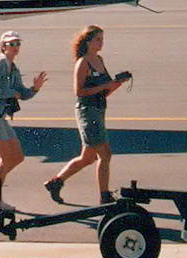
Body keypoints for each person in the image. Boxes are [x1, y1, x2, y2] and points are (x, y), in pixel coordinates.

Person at [43, 25, 128, 205]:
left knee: (87, 158)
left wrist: (117, 83)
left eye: (102, 39)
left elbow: (105, 91)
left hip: (99, 109)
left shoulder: (99, 60)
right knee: (105, 154)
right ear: (88, 42)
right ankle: (104, 196)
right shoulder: (83, 63)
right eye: (98, 39)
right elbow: (79, 91)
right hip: (87, 112)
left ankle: (56, 182)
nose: (101, 43)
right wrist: (104, 86)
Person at [0, 31, 47, 185]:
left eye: (18, 43)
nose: (16, 47)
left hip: (0, 116)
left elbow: (21, 94)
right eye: (11, 44)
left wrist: (34, 89)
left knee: (17, 157)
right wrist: (11, 93)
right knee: (8, 158)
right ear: (3, 46)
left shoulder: (13, 68)